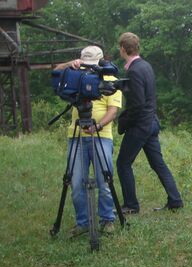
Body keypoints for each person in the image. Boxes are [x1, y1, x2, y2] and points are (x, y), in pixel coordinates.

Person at [55, 46, 122, 237]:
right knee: (76, 182)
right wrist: (70, 64)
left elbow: (112, 111)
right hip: (76, 137)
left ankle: (107, 219)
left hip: (102, 136)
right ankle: (82, 222)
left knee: (104, 179)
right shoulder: (75, 75)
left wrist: (98, 126)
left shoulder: (110, 80)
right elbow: (55, 73)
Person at [115, 32, 183, 214]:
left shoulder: (134, 70)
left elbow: (137, 104)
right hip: (151, 122)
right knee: (158, 163)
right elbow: (142, 92)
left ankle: (131, 205)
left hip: (140, 125)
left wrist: (123, 122)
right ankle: (175, 200)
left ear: (123, 48)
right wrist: (119, 86)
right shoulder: (145, 66)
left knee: (123, 163)